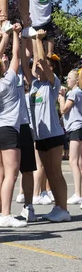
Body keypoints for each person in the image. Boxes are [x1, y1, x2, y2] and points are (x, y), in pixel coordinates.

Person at [21, 31, 71, 222]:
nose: (37, 68)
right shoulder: (33, 86)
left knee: (56, 172)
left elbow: (40, 60)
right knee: (48, 173)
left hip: (54, 135)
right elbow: (26, 64)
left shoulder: (53, 83)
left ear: (48, 69)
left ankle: (64, 209)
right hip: (40, 137)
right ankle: (57, 207)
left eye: (41, 67)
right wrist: (23, 38)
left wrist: (37, 40)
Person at [0, 23, 27, 228]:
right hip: (8, 129)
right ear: (1, 66)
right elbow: (17, 56)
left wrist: (5, 37)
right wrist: (16, 35)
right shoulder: (8, 79)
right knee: (11, 173)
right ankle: (6, 214)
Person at [58, 69, 82, 205]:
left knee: (73, 161)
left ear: (77, 80)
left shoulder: (74, 92)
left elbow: (63, 109)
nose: (67, 80)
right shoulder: (78, 92)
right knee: (79, 162)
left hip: (76, 128)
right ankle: (79, 193)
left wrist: (61, 97)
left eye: (69, 78)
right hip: (78, 127)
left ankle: (78, 194)